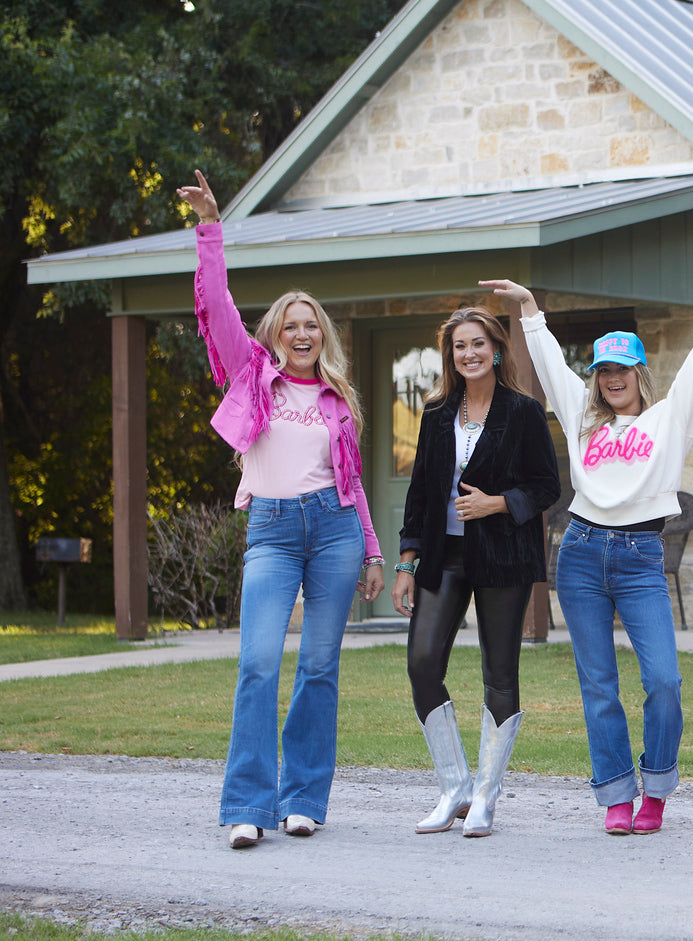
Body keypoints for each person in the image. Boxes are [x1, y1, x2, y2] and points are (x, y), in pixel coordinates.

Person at [482, 258, 693, 834]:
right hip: (581, 552)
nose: (613, 378)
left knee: (663, 680)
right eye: (605, 369)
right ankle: (615, 795)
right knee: (598, 684)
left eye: (624, 369)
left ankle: (655, 790)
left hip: (639, 561)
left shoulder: (670, 421)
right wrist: (530, 310)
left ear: (640, 374)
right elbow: (553, 366)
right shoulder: (581, 420)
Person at [177, 170, 385, 850]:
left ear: (322, 336)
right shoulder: (250, 374)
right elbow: (216, 303)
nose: (302, 334)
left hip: (334, 529)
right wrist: (211, 227)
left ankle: (302, 799)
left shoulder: (337, 401)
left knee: (319, 667)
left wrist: (374, 549)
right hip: (269, 528)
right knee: (259, 662)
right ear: (275, 335)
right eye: (291, 326)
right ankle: (246, 805)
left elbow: (350, 484)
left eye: (311, 326)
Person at [391, 308, 561, 838]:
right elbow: (420, 491)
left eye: (478, 344)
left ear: (496, 349)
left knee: (500, 675)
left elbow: (546, 486)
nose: (469, 354)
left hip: (504, 556)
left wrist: (497, 505)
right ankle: (454, 786)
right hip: (444, 558)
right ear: (451, 354)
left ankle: (486, 797)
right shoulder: (438, 412)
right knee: (422, 663)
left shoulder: (526, 412)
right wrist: (406, 560)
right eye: (459, 346)